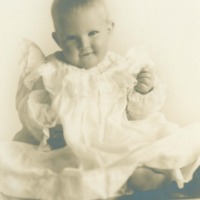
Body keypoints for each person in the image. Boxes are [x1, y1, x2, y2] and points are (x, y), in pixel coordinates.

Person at [1, 0, 200, 199]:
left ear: (109, 29)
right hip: (72, 143)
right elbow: (30, 107)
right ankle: (132, 179)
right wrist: (46, 128)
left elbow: (136, 114)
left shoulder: (120, 67)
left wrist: (144, 90)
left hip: (117, 134)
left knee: (153, 145)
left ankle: (149, 175)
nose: (84, 45)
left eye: (92, 33)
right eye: (72, 38)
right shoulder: (50, 70)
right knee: (61, 169)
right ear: (58, 39)